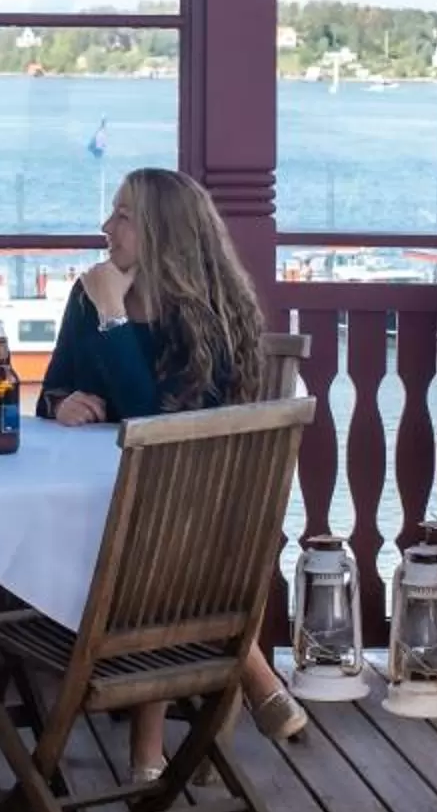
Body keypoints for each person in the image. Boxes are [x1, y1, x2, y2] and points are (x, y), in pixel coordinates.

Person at [39, 167, 311, 777]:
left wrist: (113, 320)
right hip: (113, 495)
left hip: (203, 499)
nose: (106, 228)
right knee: (150, 541)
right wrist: (62, 402)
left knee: (155, 541)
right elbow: (51, 385)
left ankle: (149, 753)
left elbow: (156, 422)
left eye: (123, 216)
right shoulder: (90, 295)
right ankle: (254, 677)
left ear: (163, 231)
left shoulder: (206, 310)